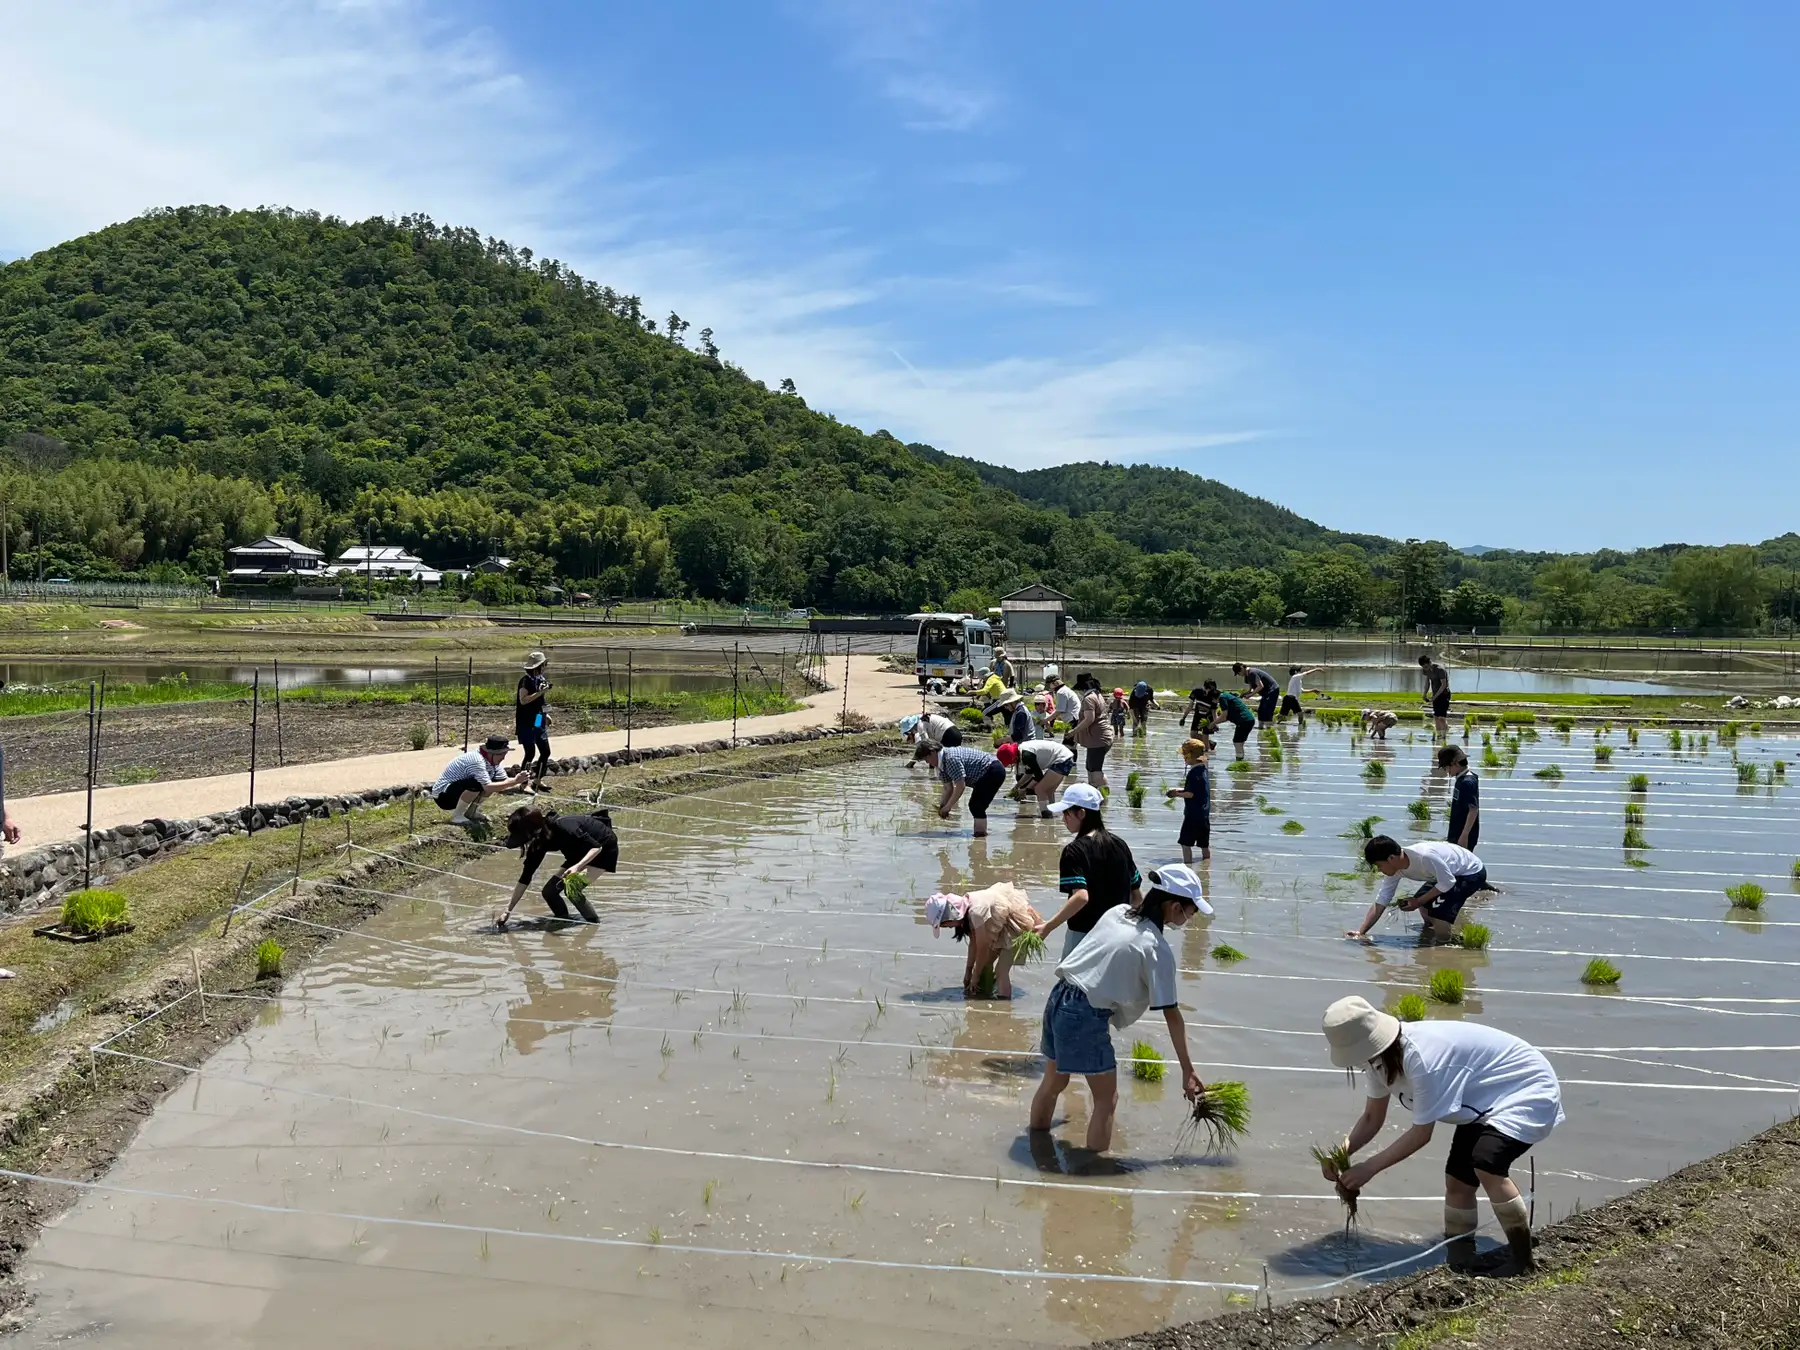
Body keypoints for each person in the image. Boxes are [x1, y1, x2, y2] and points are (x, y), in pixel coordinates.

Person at [1320, 995, 1562, 1273]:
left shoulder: (1422, 1058)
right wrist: (1341, 1153)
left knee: (1486, 1164)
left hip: (1524, 1087)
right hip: (1481, 1099)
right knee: (1457, 1181)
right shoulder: (1376, 1061)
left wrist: (1368, 1168)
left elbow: (1422, 1134)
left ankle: (1523, 1262)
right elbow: (1372, 1118)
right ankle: (1460, 1259)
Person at [1029, 864, 1212, 1153]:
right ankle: (1093, 1171)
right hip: (1084, 1014)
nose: (1189, 919)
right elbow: (1172, 1016)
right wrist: (1187, 1070)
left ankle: (1035, 1146)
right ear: (1176, 907)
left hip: (1060, 996)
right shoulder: (1156, 949)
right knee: (1107, 1100)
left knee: (1053, 1082)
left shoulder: (1117, 912)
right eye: (1191, 912)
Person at [1035, 783, 1141, 956]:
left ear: (1081, 813)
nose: (1063, 819)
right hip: (1118, 935)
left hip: (1083, 935)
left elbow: (1081, 897)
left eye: (1066, 813)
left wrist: (1048, 927)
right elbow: (1136, 897)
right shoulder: (1120, 844)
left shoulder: (1074, 850)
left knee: (1071, 982)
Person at [496, 806, 620, 927]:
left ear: (535, 831)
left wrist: (577, 867)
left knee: (572, 889)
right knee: (549, 892)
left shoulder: (564, 826)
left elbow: (596, 847)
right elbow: (525, 877)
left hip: (603, 848)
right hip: (578, 853)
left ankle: (593, 925)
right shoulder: (539, 843)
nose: (526, 843)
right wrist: (508, 910)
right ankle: (563, 920)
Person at [1347, 836, 1488, 941]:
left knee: (1437, 911)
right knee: (1426, 907)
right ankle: (1433, 932)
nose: (1379, 870)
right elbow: (1382, 900)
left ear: (1391, 858)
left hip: (1470, 872)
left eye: (1379, 866)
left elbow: (1448, 883)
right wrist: (1361, 932)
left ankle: (1445, 944)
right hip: (1445, 874)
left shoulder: (1424, 857)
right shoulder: (1395, 869)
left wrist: (1418, 901)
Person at [928, 882, 1043, 1000]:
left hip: (1015, 927)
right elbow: (974, 944)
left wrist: (975, 976)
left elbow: (982, 948)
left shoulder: (976, 912)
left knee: (1001, 971)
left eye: (946, 925)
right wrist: (968, 972)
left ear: (951, 915)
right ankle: (986, 994)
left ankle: (1003, 1007)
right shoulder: (968, 909)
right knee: (984, 966)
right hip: (1000, 925)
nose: (950, 928)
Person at [913, 740, 1008, 838]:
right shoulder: (941, 765)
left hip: (993, 770)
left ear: (932, 752)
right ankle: (980, 836)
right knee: (976, 806)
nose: (928, 762)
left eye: (926, 759)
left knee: (976, 806)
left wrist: (949, 806)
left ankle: (980, 838)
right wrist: (942, 806)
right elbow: (947, 788)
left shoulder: (950, 758)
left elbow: (960, 786)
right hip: (985, 774)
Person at [433, 735, 530, 824]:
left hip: (537, 734)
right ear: (492, 753)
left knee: (495, 782)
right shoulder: (477, 760)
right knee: (478, 784)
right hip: (443, 796)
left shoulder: (493, 762)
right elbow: (488, 787)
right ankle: (457, 816)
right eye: (502, 754)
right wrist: (514, 781)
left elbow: (504, 782)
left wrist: (520, 784)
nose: (503, 758)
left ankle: (472, 812)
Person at [1166, 737, 1211, 863]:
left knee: (1186, 844)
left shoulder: (1193, 773)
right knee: (1204, 845)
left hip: (1193, 815)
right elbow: (1197, 791)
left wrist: (1176, 793)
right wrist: (1180, 790)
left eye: (1184, 755)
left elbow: (1190, 794)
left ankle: (1187, 866)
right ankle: (1206, 868)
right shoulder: (1203, 769)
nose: (1183, 757)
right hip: (1204, 814)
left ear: (1190, 756)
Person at [1011, 736, 1077, 816]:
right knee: (1049, 790)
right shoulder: (1022, 750)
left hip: (1062, 759)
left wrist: (1025, 789)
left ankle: (1046, 815)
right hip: (1066, 757)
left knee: (1040, 789)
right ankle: (1052, 817)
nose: (1012, 764)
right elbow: (1029, 773)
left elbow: (1039, 777)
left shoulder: (1026, 755)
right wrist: (1017, 786)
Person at [1073, 673, 1116, 791]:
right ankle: (1095, 793)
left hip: (1098, 739)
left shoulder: (1089, 698)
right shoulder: (1097, 694)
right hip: (1101, 737)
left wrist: (1074, 731)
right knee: (1090, 767)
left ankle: (1103, 798)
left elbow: (1089, 719)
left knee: (1095, 770)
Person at [516, 651, 552, 792]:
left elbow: (541, 700)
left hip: (537, 718)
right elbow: (523, 700)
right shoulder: (525, 681)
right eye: (544, 664)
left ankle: (538, 779)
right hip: (526, 721)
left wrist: (546, 714)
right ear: (539, 666)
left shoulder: (541, 679)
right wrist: (540, 692)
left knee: (545, 751)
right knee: (530, 753)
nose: (546, 666)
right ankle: (523, 784)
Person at [1438, 744, 1481, 849]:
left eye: (1446, 767)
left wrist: (1464, 836)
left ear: (1455, 764)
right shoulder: (1462, 779)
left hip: (1463, 837)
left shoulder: (1467, 782)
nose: (1446, 771)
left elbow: (1473, 810)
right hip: (1457, 834)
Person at [1210, 681, 1257, 756]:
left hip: (1244, 721)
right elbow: (1226, 718)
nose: (1213, 702)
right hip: (1248, 720)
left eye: (1212, 700)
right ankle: (1240, 759)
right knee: (1239, 742)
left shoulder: (1222, 698)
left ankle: (1239, 761)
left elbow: (1224, 716)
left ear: (1214, 698)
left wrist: (1213, 723)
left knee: (1237, 742)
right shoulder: (1226, 695)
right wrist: (1215, 723)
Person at [1233, 663, 1281, 727]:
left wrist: (1250, 695)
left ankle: (1269, 729)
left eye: (1238, 673)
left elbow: (1260, 686)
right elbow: (1251, 688)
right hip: (1265, 693)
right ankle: (1260, 728)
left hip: (1272, 690)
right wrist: (1244, 694)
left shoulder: (1252, 673)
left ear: (1242, 669)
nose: (1239, 675)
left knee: (1267, 711)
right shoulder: (1247, 676)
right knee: (1261, 711)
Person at [1420, 653, 1452, 737]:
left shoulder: (1440, 670)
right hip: (1435, 695)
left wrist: (1435, 696)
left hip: (1444, 694)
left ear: (1430, 662)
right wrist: (1424, 694)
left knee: (1442, 717)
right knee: (1436, 717)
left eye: (1426, 666)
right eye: (1423, 667)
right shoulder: (1426, 671)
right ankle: (1439, 735)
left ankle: (1444, 735)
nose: (1425, 669)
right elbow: (1427, 682)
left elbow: (1443, 685)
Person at [1046, 672, 1082, 739]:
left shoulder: (1061, 692)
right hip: (1075, 718)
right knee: (1071, 743)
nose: (1049, 686)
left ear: (1055, 683)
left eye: (1049, 684)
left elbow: (1059, 711)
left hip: (1072, 720)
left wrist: (1045, 720)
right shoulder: (1065, 690)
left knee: (1068, 743)